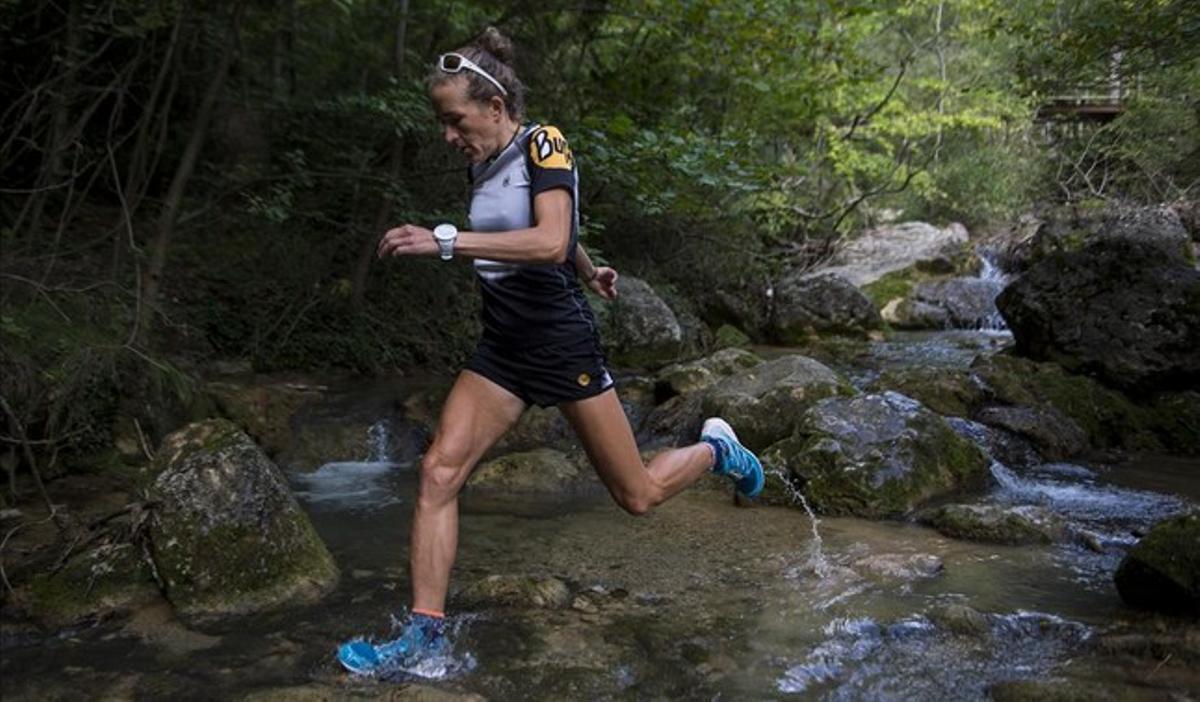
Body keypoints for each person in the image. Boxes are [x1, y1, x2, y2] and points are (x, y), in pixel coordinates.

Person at [337, 27, 764, 676]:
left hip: (561, 344)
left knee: (638, 495)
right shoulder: (480, 161)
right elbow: (548, 231)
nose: (448, 134)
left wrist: (447, 240)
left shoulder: (545, 141)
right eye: (442, 123)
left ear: (496, 106)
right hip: (503, 347)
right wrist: (592, 269)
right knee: (437, 474)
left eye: (454, 119)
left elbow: (548, 238)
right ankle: (424, 638)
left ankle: (718, 450)